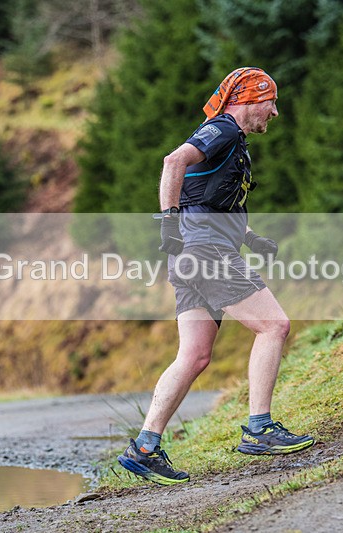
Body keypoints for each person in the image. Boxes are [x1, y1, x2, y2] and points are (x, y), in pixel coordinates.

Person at [116, 67, 314, 486]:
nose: (275, 112)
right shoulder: (222, 129)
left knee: (194, 356)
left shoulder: (231, 140)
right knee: (274, 325)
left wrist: (250, 237)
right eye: (271, 102)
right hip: (205, 252)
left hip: (190, 257)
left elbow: (207, 199)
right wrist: (168, 222)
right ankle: (260, 428)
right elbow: (173, 162)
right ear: (248, 100)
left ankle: (145, 448)